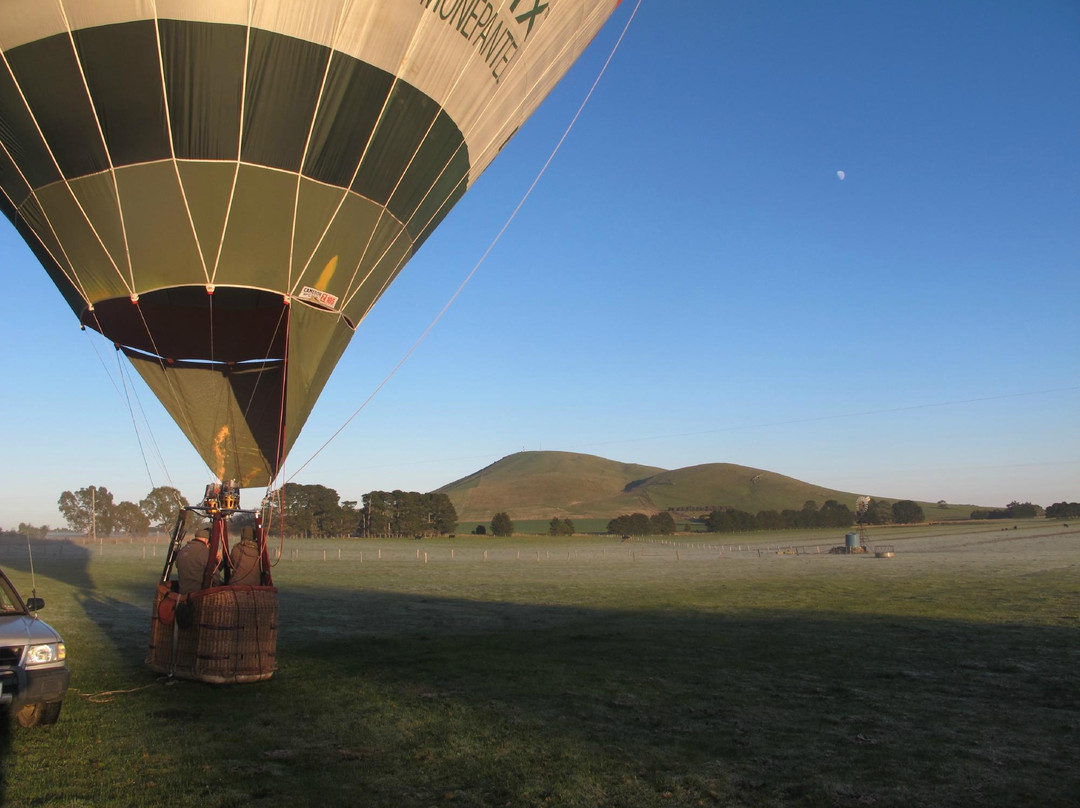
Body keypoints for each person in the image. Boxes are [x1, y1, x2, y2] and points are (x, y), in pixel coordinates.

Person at [175, 527, 219, 594]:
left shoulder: (183, 549)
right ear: (206, 540)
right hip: (198, 595)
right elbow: (215, 575)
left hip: (182, 592)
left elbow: (177, 565)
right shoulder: (204, 552)